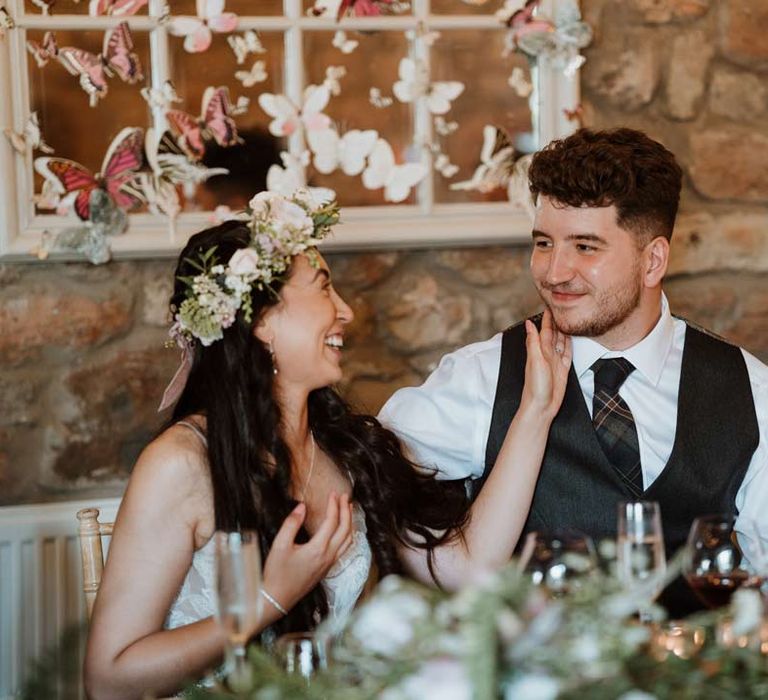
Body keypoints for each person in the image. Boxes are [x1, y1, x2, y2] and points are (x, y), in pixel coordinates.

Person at [83, 190, 572, 700]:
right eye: (323, 288)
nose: (346, 312)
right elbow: (108, 680)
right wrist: (269, 600)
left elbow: (468, 569)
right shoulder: (182, 464)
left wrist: (536, 411)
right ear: (263, 322)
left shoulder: (347, 451)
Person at [379, 128, 768, 618]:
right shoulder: (482, 377)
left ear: (653, 261)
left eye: (585, 247)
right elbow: (371, 472)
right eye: (544, 242)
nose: (555, 271)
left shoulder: (750, 391)